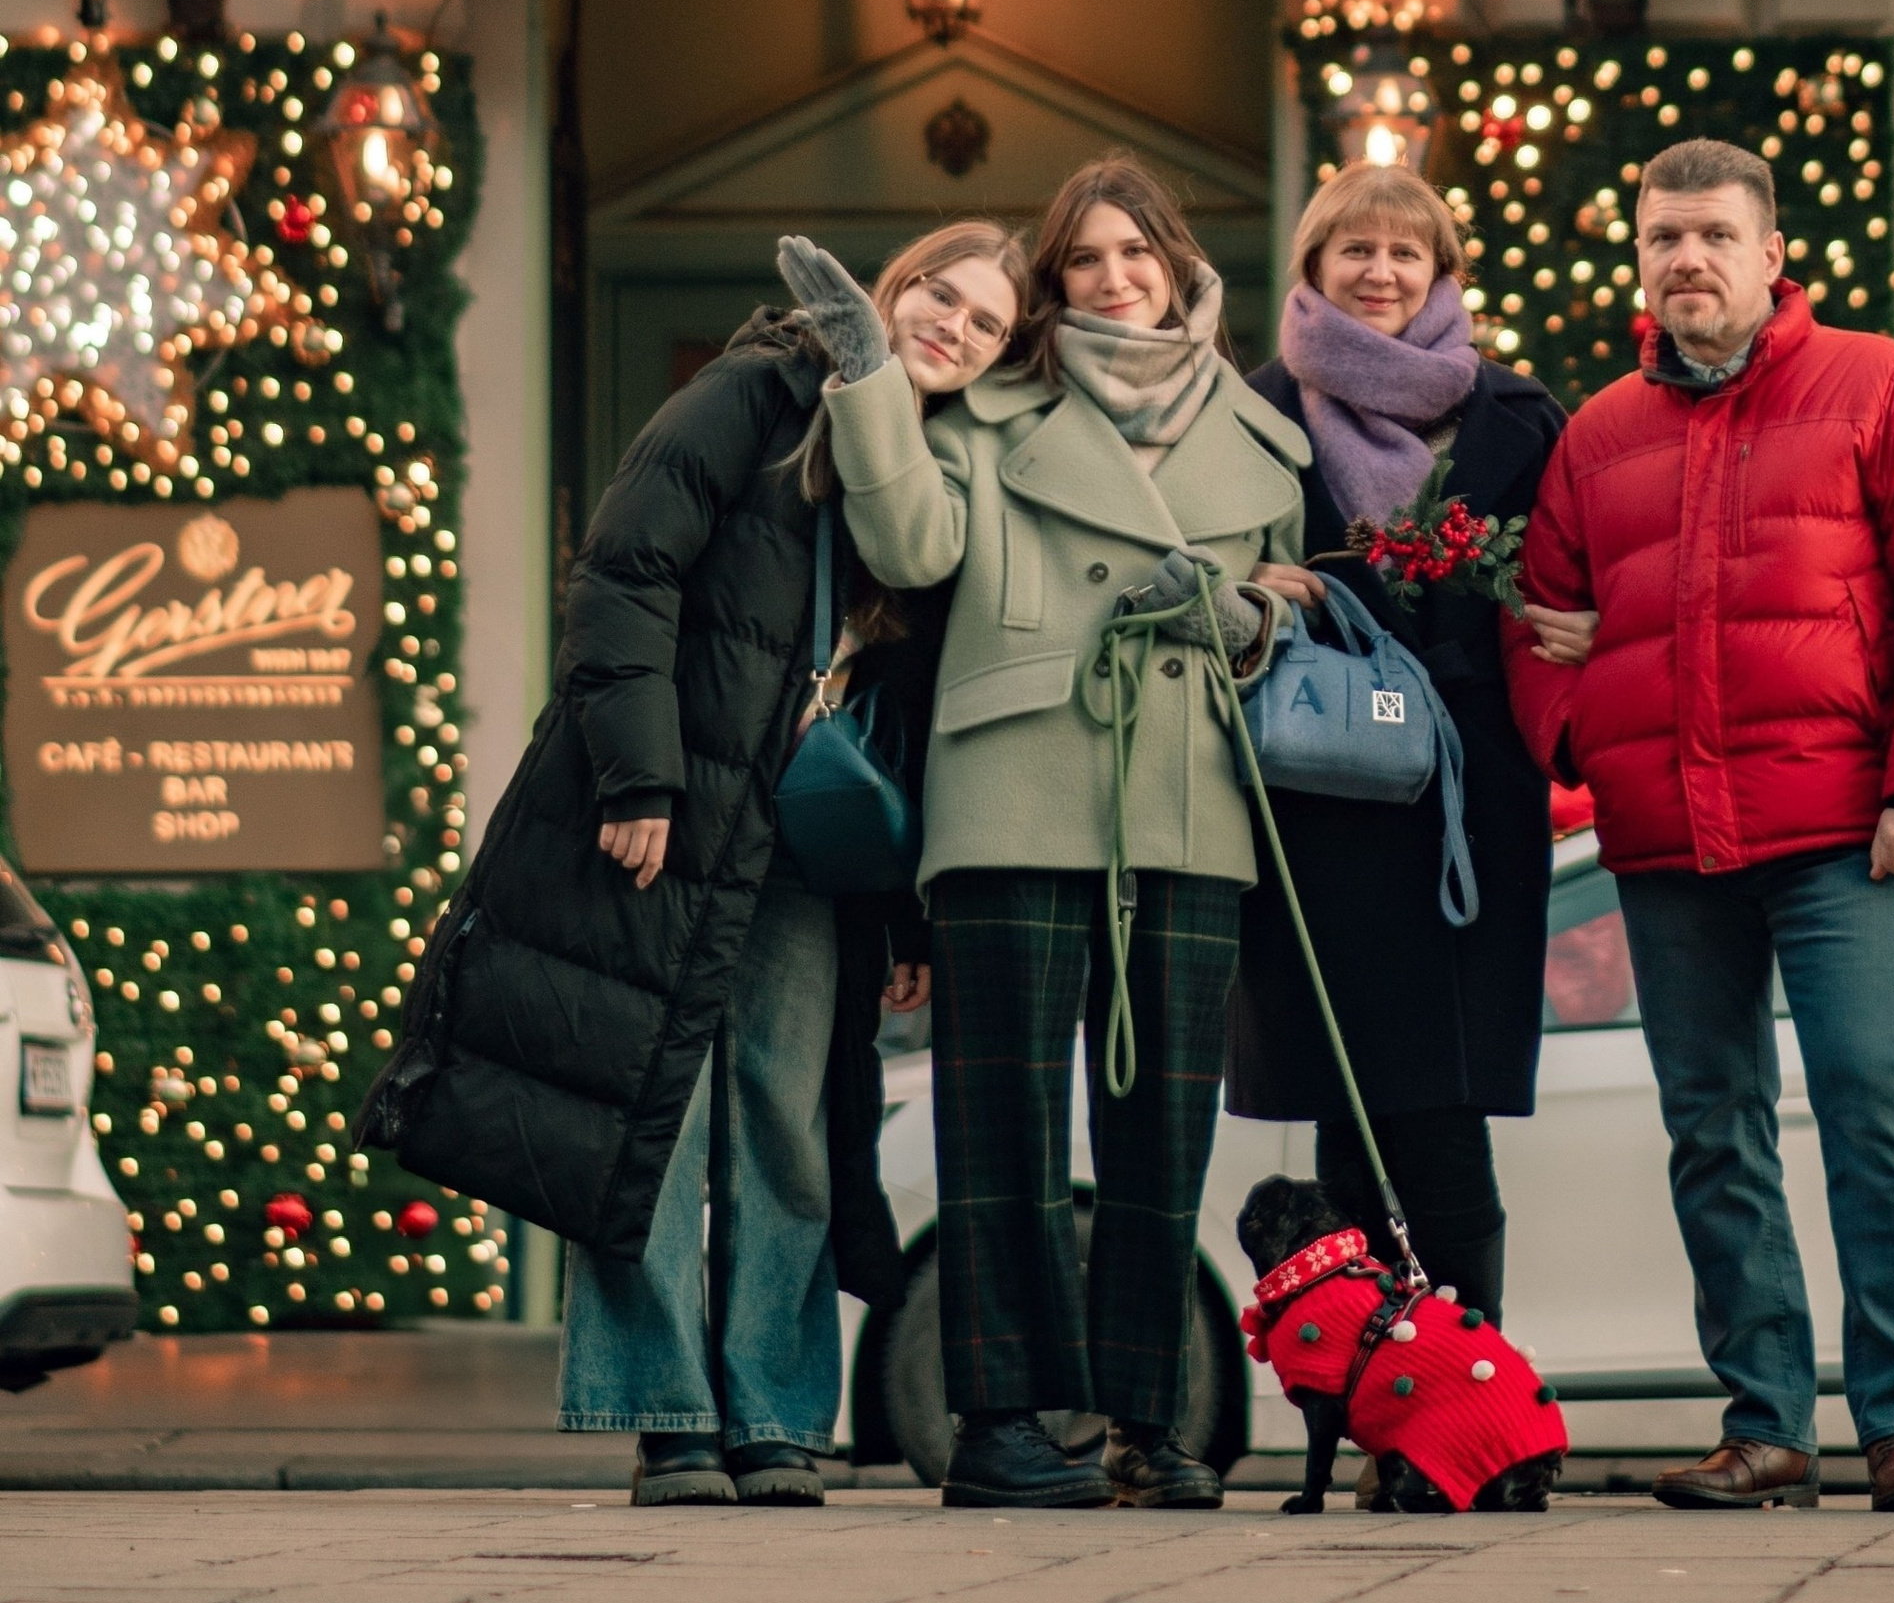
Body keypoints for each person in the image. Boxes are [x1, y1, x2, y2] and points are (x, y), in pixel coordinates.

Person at [361, 221, 1024, 1507]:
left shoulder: (944, 468)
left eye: (987, 323)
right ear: (895, 284)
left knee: (787, 1125)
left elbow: (909, 706)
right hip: (674, 813)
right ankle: (664, 1414)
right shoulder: (758, 390)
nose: (953, 324)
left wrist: (899, 917)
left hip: (806, 850)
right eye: (940, 292)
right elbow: (628, 568)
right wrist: (639, 775)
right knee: (642, 1118)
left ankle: (775, 1418)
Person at [797, 152, 1309, 1513]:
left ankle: (1154, 1423)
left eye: (1135, 253)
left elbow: (1282, 604)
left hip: (1185, 809)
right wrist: (869, 384)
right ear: (1056, 281)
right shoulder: (988, 412)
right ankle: (1004, 1424)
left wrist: (1252, 620)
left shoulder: (1261, 441)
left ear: (1178, 264)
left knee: (1160, 1145)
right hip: (1012, 791)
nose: (1115, 279)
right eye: (1085, 259)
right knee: (1001, 1132)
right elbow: (910, 549)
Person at [1502, 138, 1894, 1518]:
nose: (1689, 260)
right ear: (1641, 259)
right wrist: (1580, 735)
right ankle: (1768, 1424)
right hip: (1668, 846)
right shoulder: (1599, 436)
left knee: (1868, 1102)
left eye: (1716, 236)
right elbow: (1541, 637)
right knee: (1712, 1128)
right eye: (1664, 237)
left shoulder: (1884, 387)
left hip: (1845, 832)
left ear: (1774, 255)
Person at [1228, 163, 1561, 1322]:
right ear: (1313, 267)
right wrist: (1251, 586)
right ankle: (1372, 1407)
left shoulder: (1519, 417)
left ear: (1442, 273)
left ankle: (1468, 1395)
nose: (1378, 272)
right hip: (1320, 803)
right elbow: (1200, 558)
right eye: (1353, 252)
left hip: (1468, 815)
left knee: (1446, 1111)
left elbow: (1570, 579)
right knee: (1346, 1120)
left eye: (1403, 253)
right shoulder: (1251, 413)